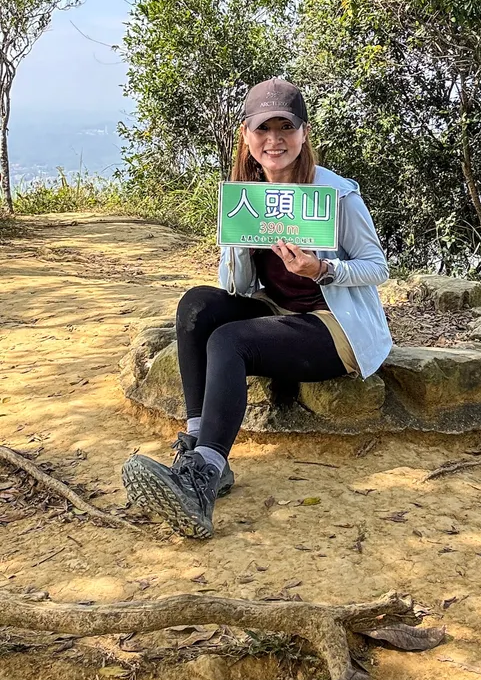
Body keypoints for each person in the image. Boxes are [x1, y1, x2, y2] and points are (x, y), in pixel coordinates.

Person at [122, 78, 392, 538]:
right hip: (275, 310)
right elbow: (239, 287)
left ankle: (202, 481)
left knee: (229, 341)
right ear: (246, 137)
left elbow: (377, 267)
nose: (274, 140)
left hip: (333, 324)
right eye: (263, 129)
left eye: (285, 127)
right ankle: (198, 449)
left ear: (303, 134)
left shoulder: (337, 194)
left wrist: (323, 271)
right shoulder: (245, 198)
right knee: (196, 307)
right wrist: (240, 247)